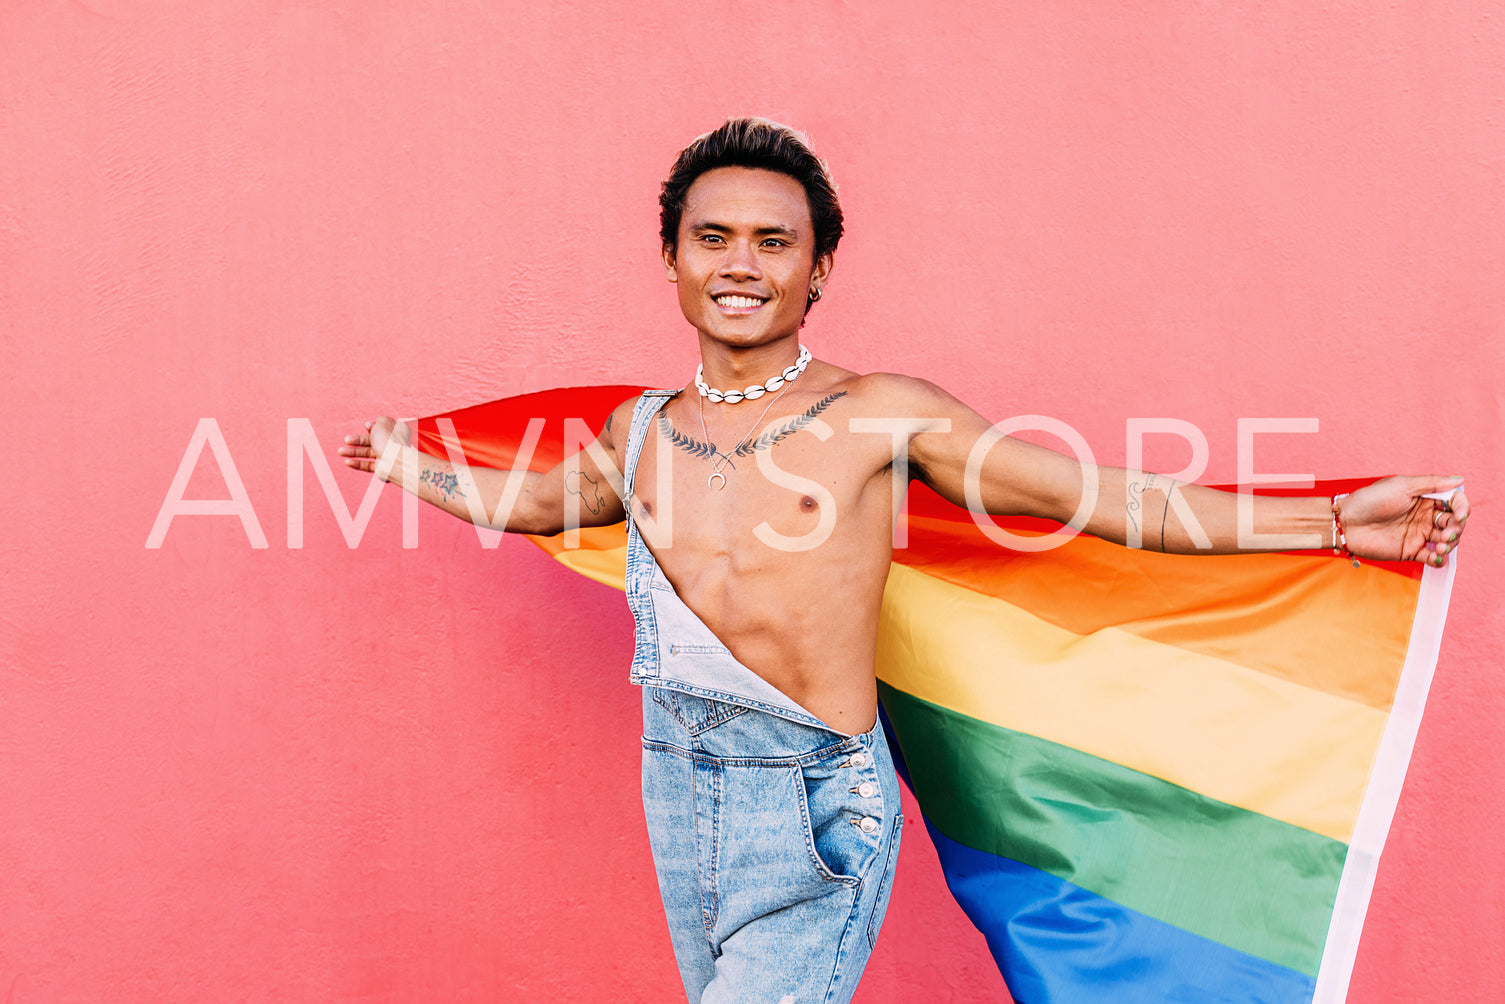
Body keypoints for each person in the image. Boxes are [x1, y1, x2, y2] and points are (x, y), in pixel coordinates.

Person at [339, 117, 1468, 1004]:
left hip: (814, 795)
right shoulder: (639, 430)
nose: (741, 264)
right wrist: (399, 464)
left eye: (773, 242)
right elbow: (534, 500)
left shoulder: (880, 414)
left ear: (818, 268)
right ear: (673, 260)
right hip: (679, 783)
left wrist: (1329, 525)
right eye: (713, 237)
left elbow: (1108, 502)